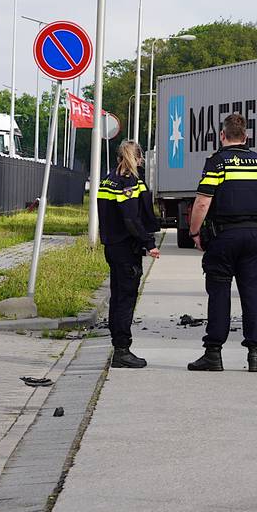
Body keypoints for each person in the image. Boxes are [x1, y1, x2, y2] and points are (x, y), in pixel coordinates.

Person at [187, 113, 257, 372]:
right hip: (254, 235)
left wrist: (194, 233)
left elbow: (203, 201)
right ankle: (255, 356)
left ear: (222, 136)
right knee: (252, 294)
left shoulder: (217, 163)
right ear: (246, 137)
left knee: (220, 293)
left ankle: (213, 354)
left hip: (224, 236)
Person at [96, 140, 161, 369]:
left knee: (117, 297)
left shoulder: (108, 178)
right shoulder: (128, 181)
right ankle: (122, 350)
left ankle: (118, 346)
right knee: (126, 299)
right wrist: (149, 243)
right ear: (139, 158)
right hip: (126, 248)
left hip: (112, 246)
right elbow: (131, 218)